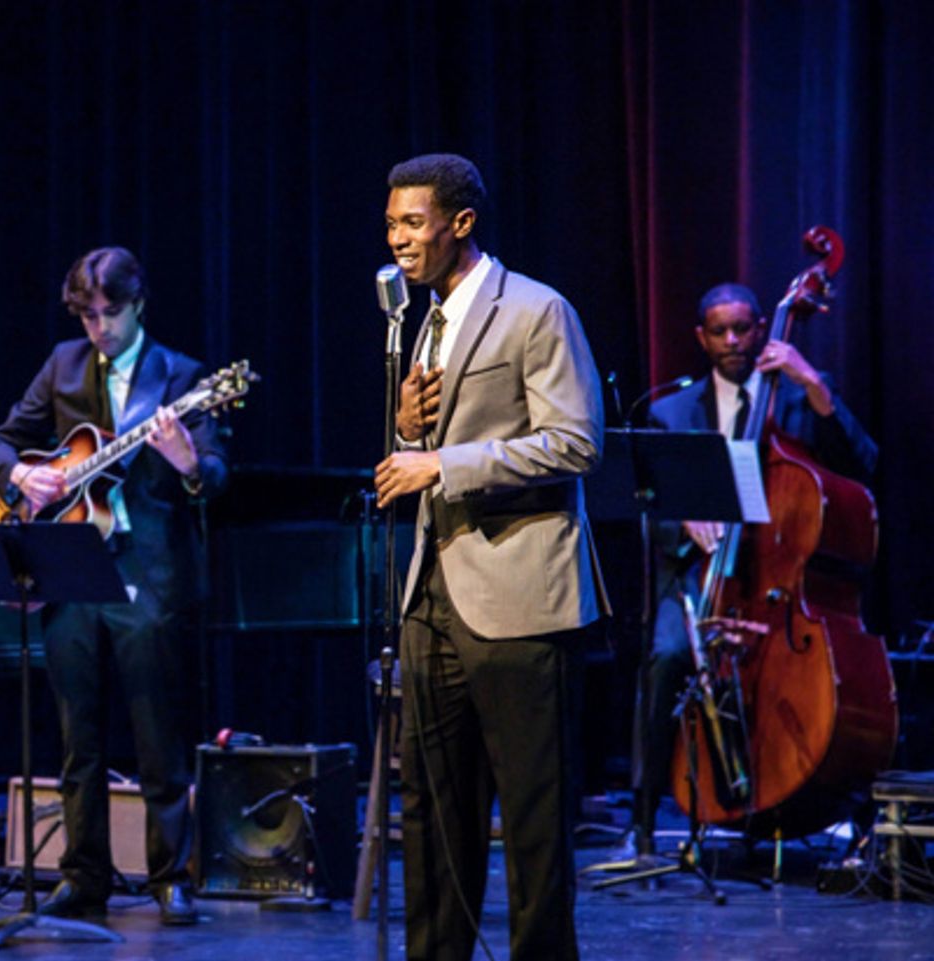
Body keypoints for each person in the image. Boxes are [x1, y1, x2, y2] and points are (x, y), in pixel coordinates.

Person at [375, 154, 608, 961]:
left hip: (518, 590)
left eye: (414, 222)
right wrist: (407, 429)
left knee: (534, 814)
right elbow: (417, 458)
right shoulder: (419, 322)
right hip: (432, 591)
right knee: (434, 810)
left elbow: (577, 441)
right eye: (392, 224)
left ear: (461, 223)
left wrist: (442, 462)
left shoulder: (536, 311)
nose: (399, 239)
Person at [0, 246, 227, 925]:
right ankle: (82, 875)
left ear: (138, 302)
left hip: (148, 574)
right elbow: (0, 442)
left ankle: (171, 875)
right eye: (87, 315)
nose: (99, 328)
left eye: (110, 313)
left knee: (157, 732)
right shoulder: (62, 363)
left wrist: (187, 462)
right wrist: (20, 478)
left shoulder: (182, 375)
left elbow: (217, 475)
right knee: (76, 737)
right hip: (72, 569)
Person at [625, 282, 878, 852]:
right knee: (665, 655)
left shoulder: (797, 395)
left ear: (763, 327)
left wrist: (812, 383)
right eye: (721, 331)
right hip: (700, 577)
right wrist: (684, 520)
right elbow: (651, 508)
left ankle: (846, 806)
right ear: (702, 337)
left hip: (780, 576)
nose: (734, 341)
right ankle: (640, 824)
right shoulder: (671, 411)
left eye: (744, 328)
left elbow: (861, 464)